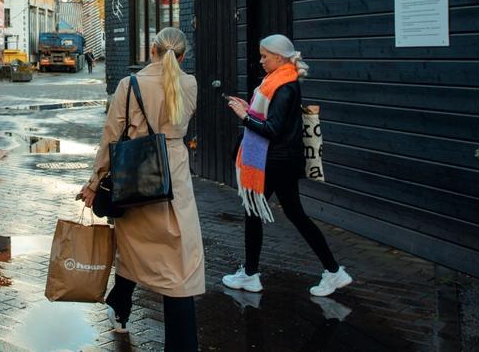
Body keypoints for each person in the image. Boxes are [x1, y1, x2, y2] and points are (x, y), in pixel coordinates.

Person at [79, 27, 202, 351]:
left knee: (131, 249)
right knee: (180, 270)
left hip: (135, 179)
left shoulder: (129, 85)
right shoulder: (189, 84)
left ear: (151, 50)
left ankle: (119, 306)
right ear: (183, 56)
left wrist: (95, 183)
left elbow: (110, 137)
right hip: (173, 180)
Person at [223, 34, 352, 298]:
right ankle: (332, 270)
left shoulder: (284, 85)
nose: (260, 61)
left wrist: (244, 117)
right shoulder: (279, 81)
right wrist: (251, 111)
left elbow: (271, 129)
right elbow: (271, 119)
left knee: (255, 212)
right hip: (282, 160)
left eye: (264, 56)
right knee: (290, 214)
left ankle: (251, 275)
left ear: (279, 57)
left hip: (275, 161)